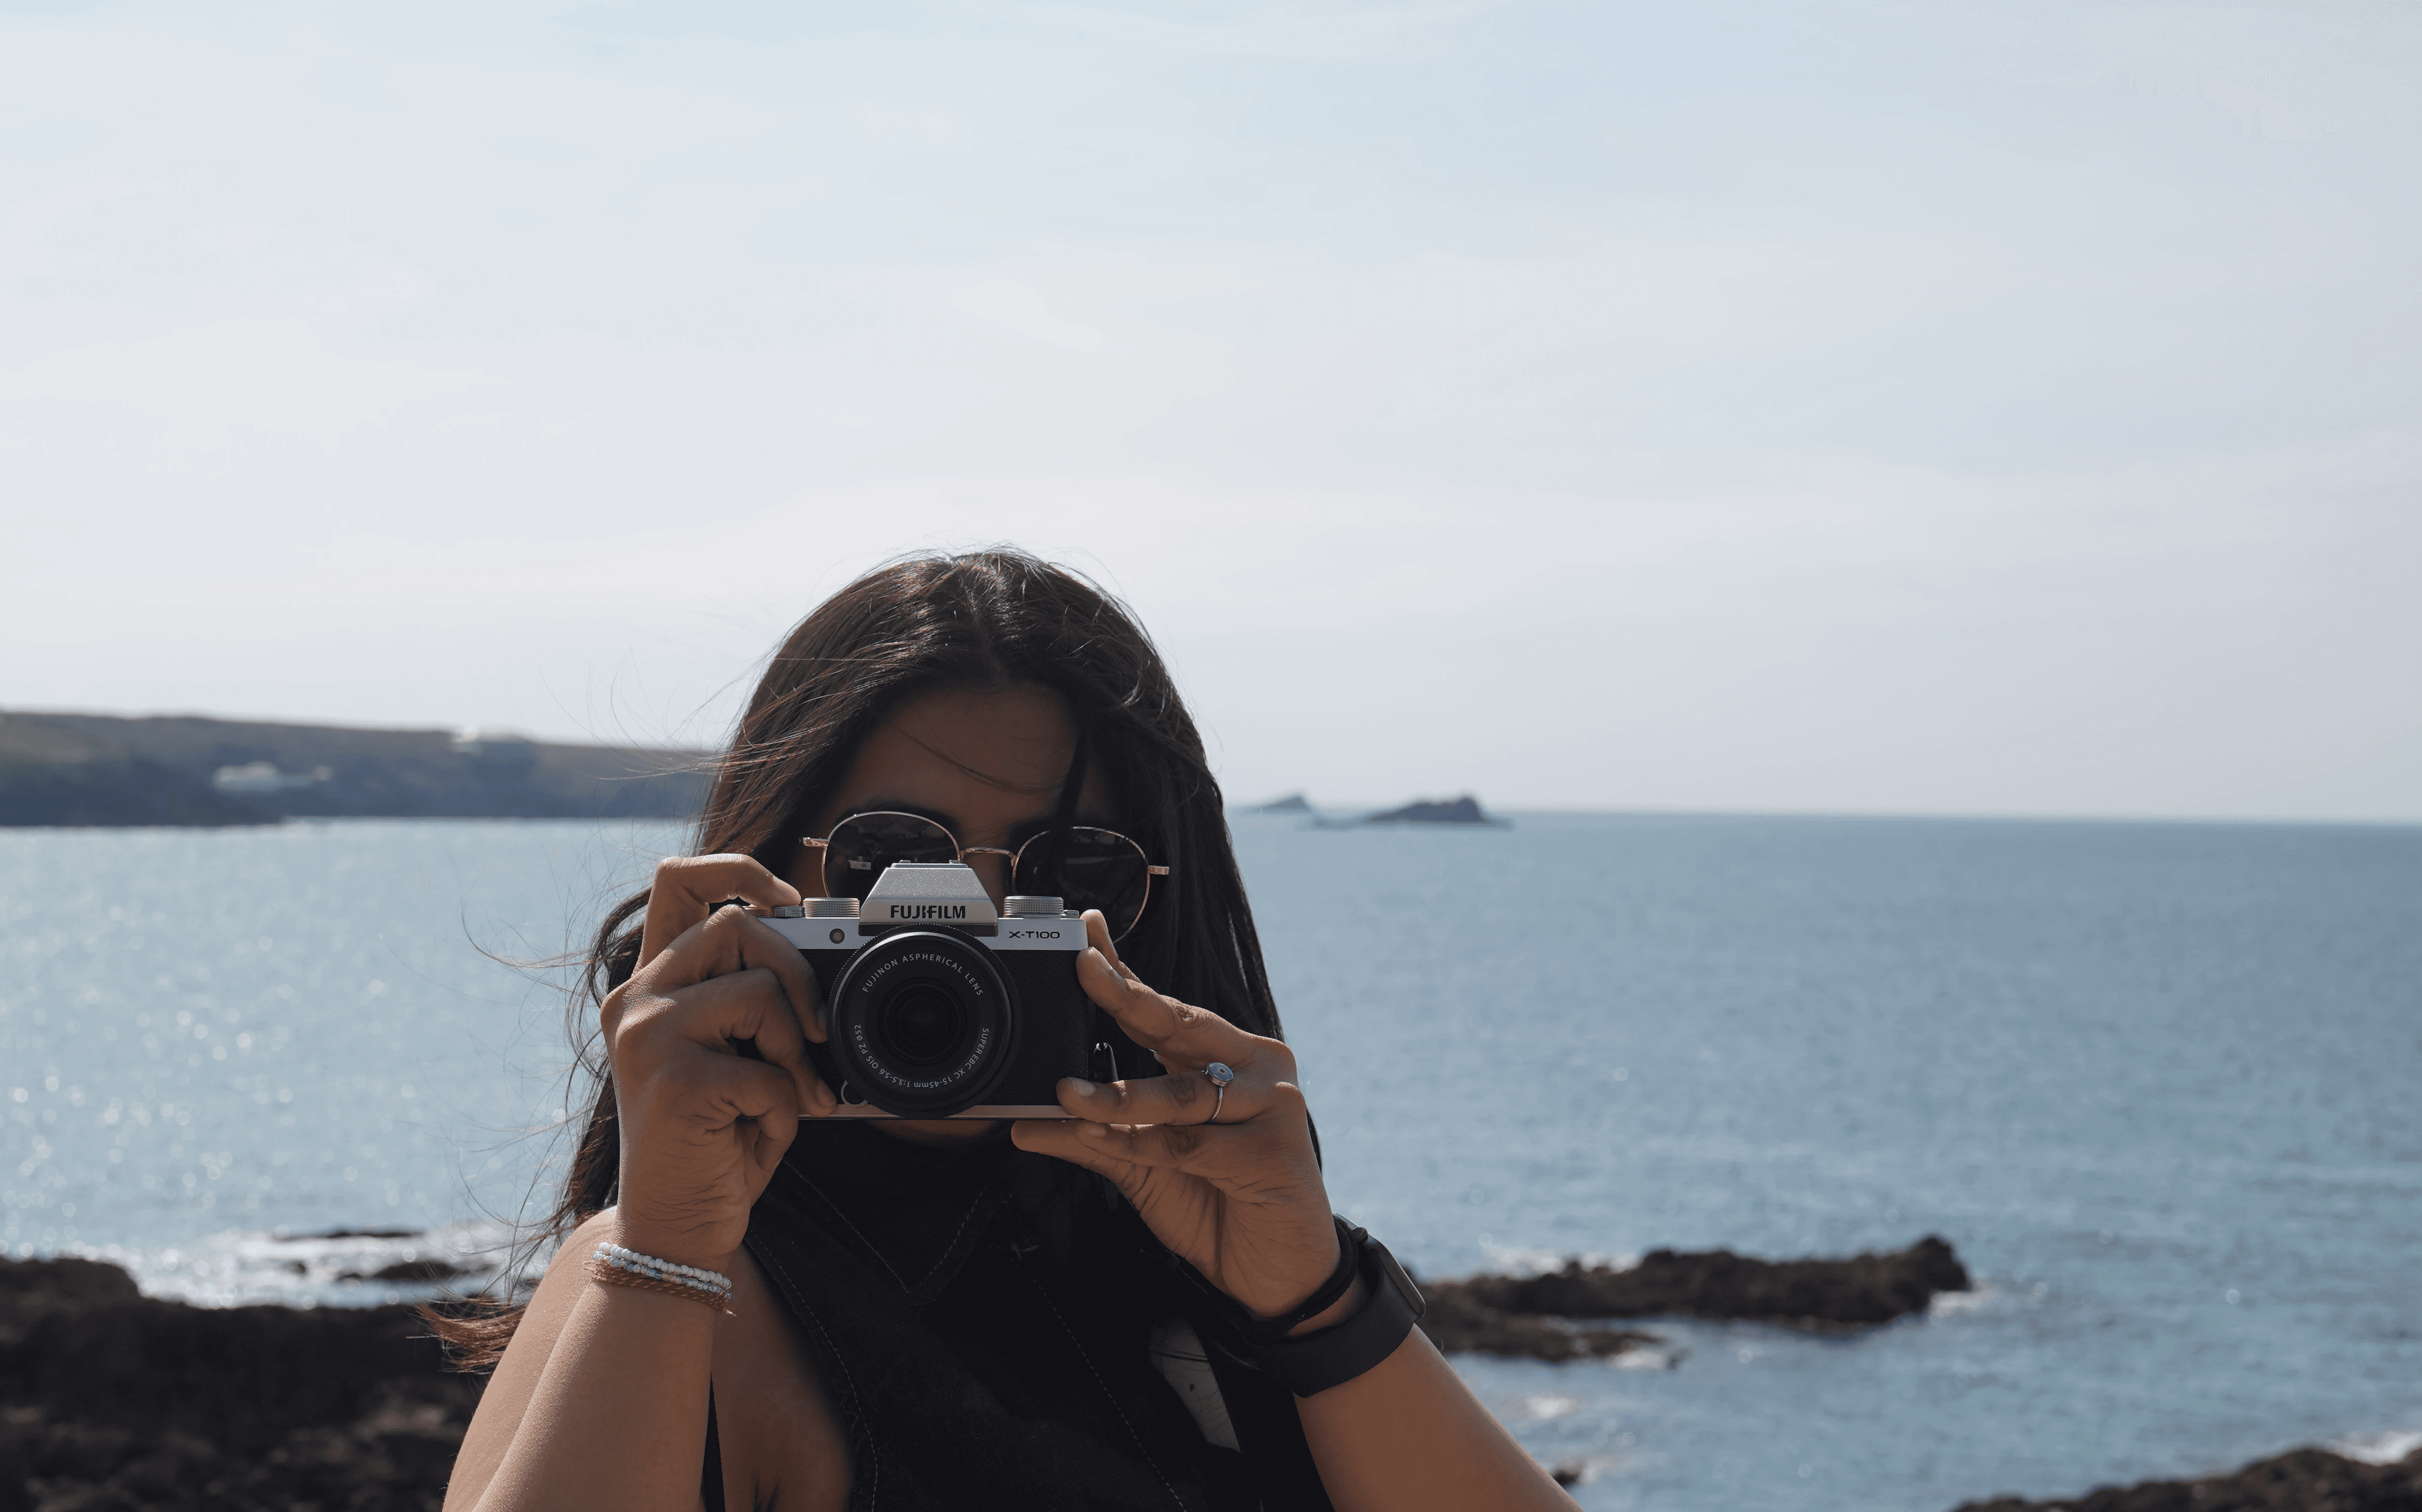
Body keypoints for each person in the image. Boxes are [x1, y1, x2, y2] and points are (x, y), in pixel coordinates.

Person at [437, 551, 1576, 1512]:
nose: (970, 921)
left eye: (1068, 868)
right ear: (765, 873)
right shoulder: (686, 1285)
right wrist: (668, 1245)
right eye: (893, 860)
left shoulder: (1213, 1265)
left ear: (1152, 904)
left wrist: (1319, 1305)